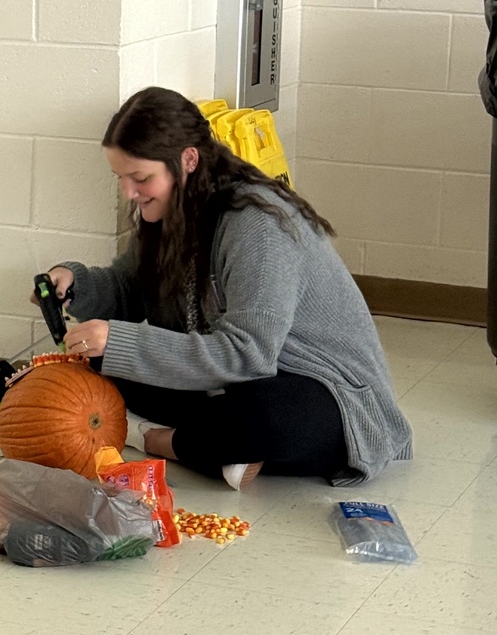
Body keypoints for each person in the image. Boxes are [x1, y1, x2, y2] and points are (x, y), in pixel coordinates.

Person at [31, 86, 412, 488]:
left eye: (140, 178)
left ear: (188, 160)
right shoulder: (170, 210)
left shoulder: (257, 224)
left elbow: (249, 355)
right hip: (230, 383)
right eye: (121, 178)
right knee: (96, 363)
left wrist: (121, 341)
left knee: (266, 417)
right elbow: (127, 288)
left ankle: (164, 441)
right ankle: (218, 449)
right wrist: (75, 283)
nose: (129, 192)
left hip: (321, 389)